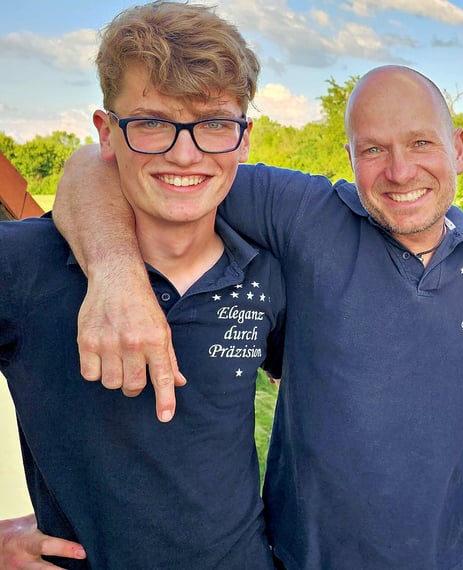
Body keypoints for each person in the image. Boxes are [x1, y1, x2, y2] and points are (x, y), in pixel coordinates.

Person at [51, 65, 463, 569]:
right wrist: (116, 276)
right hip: (309, 558)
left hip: (454, 555)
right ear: (350, 156)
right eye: (373, 149)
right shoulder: (305, 213)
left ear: (458, 148)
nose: (400, 171)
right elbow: (99, 164)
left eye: (421, 143)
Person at [0, 1, 282, 568]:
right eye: (152, 122)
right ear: (107, 132)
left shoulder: (267, 271)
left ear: (244, 137)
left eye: (214, 124)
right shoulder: (23, 263)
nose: (186, 153)